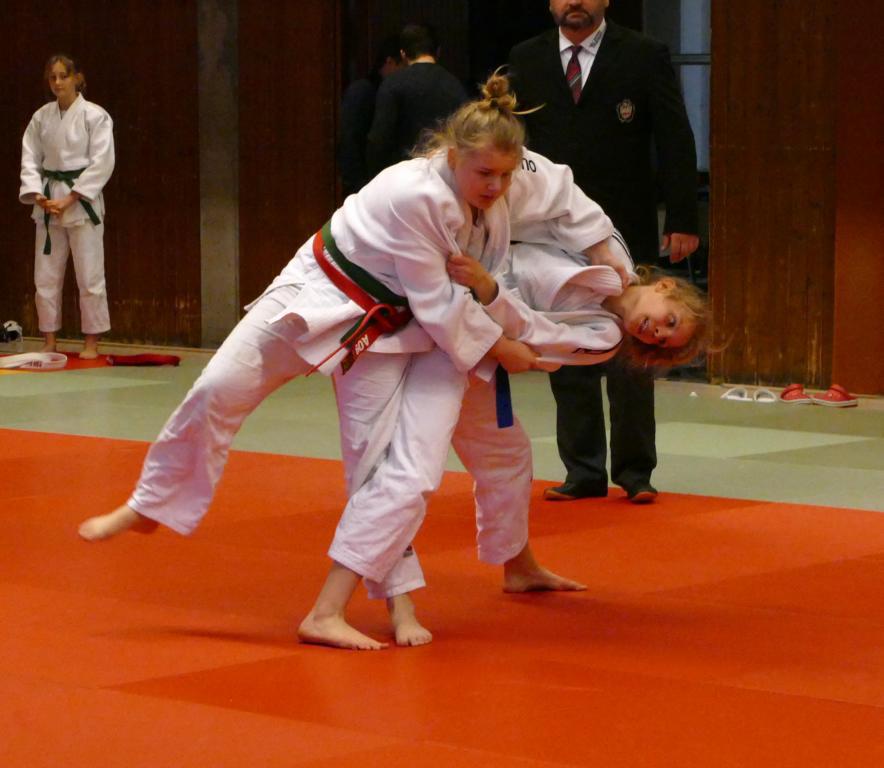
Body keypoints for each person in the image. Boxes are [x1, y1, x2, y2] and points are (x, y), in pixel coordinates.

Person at [79, 72, 622, 650]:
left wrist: (618, 269)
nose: (496, 186)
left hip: (388, 328)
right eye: (484, 173)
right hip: (320, 289)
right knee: (219, 386)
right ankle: (150, 502)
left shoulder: (504, 187)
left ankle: (398, 600)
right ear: (450, 155)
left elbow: (563, 198)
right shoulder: (417, 195)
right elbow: (439, 302)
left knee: (378, 462)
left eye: (506, 175)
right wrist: (500, 346)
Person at [331, 235, 709, 647]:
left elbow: (535, 336)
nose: (656, 332)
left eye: (661, 341)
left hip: (474, 339)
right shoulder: (604, 250)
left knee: (506, 455)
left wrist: (501, 321)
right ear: (665, 287)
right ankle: (390, 601)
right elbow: (558, 209)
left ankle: (518, 565)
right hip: (422, 320)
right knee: (404, 471)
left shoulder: (603, 333)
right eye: (670, 322)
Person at [508, 0, 700, 504]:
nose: (575, 2)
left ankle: (635, 471)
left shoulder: (642, 54)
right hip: (550, 226)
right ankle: (583, 469)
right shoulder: (526, 58)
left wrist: (682, 215)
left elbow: (674, 134)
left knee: (635, 349)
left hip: (625, 220)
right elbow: (511, 144)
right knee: (569, 338)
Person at [19, 54, 115, 360]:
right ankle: (49, 339)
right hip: (49, 203)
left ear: (77, 78)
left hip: (82, 203)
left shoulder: (95, 116)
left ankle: (91, 342)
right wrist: (38, 194)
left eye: (63, 76)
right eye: (53, 77)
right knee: (45, 276)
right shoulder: (41, 117)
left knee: (89, 275)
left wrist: (71, 198)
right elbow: (30, 158)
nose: (58, 82)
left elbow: (102, 163)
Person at [365, 23, 469, 176]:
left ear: (403, 54)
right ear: (438, 51)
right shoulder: (455, 85)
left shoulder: (392, 84)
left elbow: (379, 140)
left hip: (401, 177)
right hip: (444, 176)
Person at [339, 35, 404, 197]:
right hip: (363, 185)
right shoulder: (364, 91)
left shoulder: (374, 91)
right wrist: (359, 185)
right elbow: (350, 141)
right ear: (390, 62)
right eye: (403, 67)